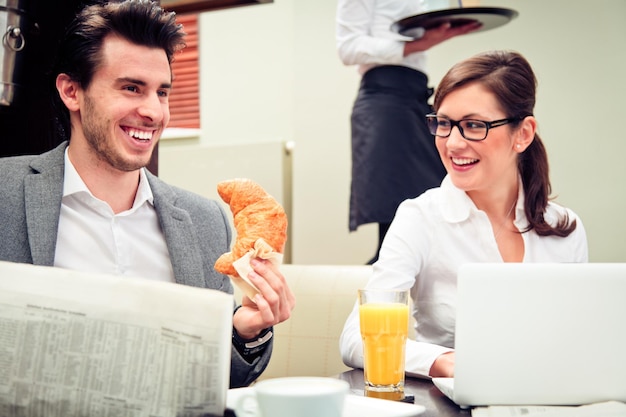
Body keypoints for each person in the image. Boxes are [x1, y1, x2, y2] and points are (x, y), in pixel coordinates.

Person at [0, 0, 294, 388]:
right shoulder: (6, 192)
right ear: (72, 91)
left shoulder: (205, 220)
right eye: (132, 88)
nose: (154, 112)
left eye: (163, 92)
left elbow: (221, 380)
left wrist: (246, 332)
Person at [339, 50, 588, 378]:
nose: (453, 143)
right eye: (443, 123)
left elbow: (581, 342)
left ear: (523, 134)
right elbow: (357, 339)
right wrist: (443, 361)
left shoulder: (565, 229)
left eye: (473, 125)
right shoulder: (421, 218)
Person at [336, 0, 481, 264]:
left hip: (416, 95)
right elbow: (347, 47)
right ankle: (379, 298)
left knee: (436, 202)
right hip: (383, 99)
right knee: (395, 219)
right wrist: (418, 44)